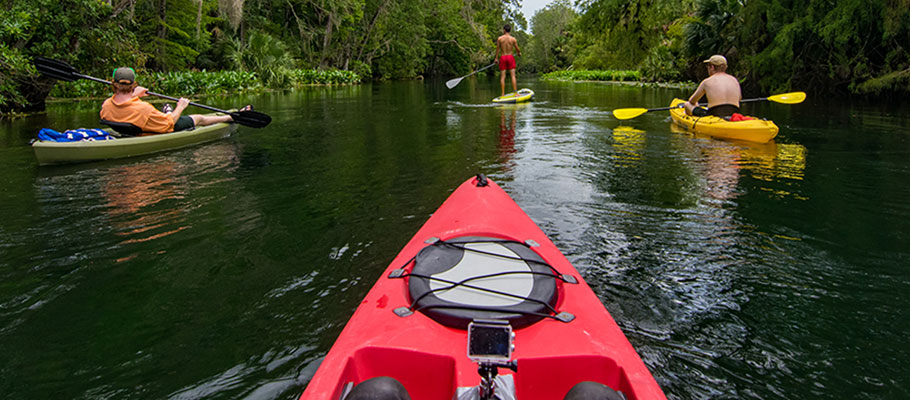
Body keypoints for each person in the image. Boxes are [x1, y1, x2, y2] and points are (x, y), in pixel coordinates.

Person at [100, 67, 248, 134]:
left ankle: (168, 109)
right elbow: (168, 123)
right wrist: (181, 106)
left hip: (134, 128)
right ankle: (231, 117)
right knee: (198, 118)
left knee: (166, 114)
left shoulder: (106, 105)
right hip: (154, 129)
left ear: (114, 84)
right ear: (133, 84)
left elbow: (123, 105)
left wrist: (134, 95)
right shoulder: (143, 108)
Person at [496, 24, 521, 97]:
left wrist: (496, 59)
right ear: (510, 30)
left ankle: (503, 94)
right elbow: (517, 49)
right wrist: (519, 53)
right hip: (510, 57)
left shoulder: (500, 39)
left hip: (503, 57)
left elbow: (497, 49)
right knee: (513, 76)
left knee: (503, 76)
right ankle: (515, 93)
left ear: (504, 30)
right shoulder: (513, 39)